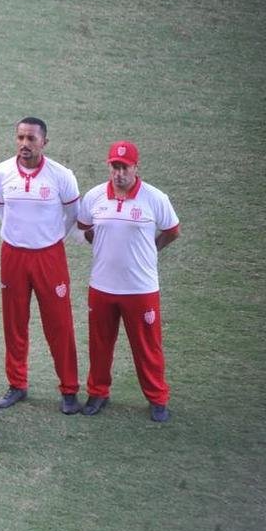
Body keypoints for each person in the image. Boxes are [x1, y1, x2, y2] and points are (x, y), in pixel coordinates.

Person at [77, 141, 180, 422]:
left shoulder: (155, 198)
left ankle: (158, 398)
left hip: (141, 289)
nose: (119, 173)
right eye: (114, 166)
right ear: (108, 166)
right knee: (99, 344)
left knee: (148, 346)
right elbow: (84, 228)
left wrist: (150, 250)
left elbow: (172, 231)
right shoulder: (95, 196)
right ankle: (98, 393)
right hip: (101, 286)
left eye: (124, 167)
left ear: (136, 167)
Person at [0, 117, 83, 414]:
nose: (24, 144)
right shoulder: (2, 172)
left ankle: (69, 389)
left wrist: (48, 237)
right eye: (20, 137)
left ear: (44, 142)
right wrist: (21, 235)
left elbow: (72, 214)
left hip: (49, 256)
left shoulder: (61, 175)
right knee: (14, 322)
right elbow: (1, 208)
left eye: (31, 138)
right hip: (13, 255)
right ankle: (17, 384)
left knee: (60, 324)